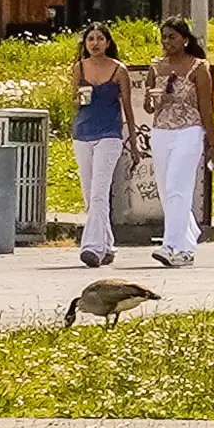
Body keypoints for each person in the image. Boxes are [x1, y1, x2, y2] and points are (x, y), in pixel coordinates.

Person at [143, 16, 214, 267]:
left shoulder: (199, 68)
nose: (167, 42)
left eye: (172, 37)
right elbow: (148, 105)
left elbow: (206, 107)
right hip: (162, 130)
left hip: (189, 130)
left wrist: (213, 145)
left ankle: (171, 246)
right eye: (164, 37)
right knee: (166, 191)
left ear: (185, 39)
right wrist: (152, 99)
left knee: (179, 187)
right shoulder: (156, 67)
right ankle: (187, 242)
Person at [69, 21, 130, 267]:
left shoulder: (119, 70)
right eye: (91, 39)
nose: (95, 44)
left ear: (108, 42)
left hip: (109, 134)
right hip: (83, 132)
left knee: (99, 191)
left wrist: (133, 139)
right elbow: (74, 100)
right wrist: (80, 96)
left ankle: (91, 247)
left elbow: (127, 106)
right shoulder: (79, 68)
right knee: (89, 194)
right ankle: (106, 244)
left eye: (100, 39)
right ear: (85, 43)